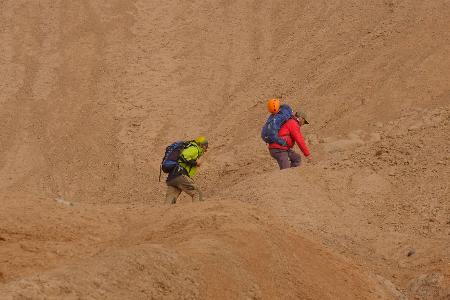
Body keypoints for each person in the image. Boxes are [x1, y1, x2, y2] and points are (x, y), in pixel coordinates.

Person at [165, 136, 208, 204]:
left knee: (170, 198)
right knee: (197, 193)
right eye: (205, 146)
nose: (205, 149)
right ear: (201, 145)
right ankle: (198, 213)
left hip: (172, 177)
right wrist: (196, 163)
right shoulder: (195, 148)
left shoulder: (189, 147)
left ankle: (163, 214)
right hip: (180, 175)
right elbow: (184, 156)